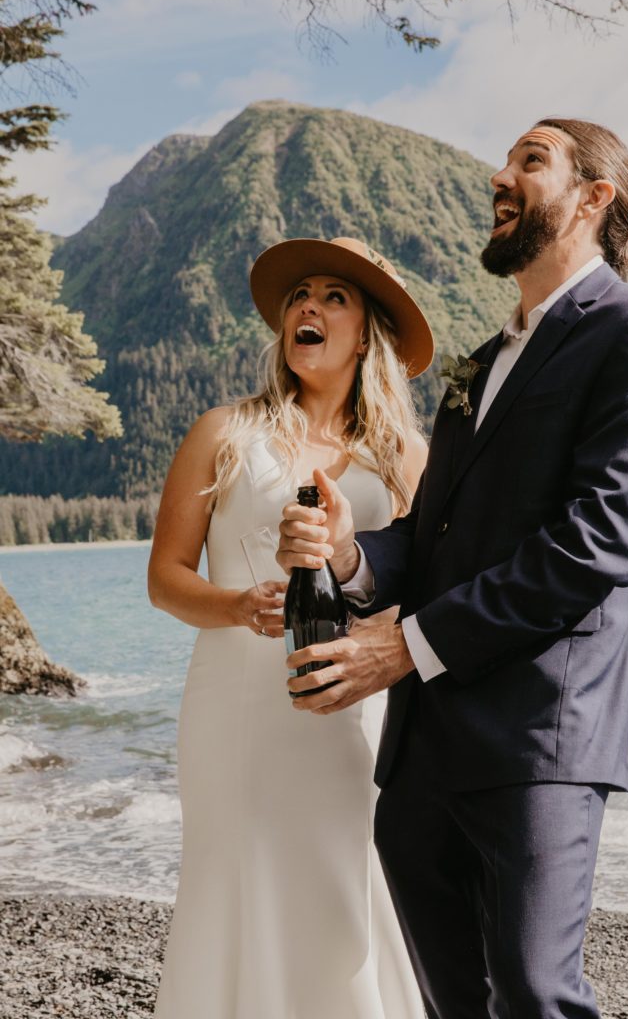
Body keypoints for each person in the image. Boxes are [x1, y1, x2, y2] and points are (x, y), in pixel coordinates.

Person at [277, 119, 628, 1019]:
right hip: (425, 751)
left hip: (543, 734)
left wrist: (403, 647)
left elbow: (602, 538)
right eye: (504, 160)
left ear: (593, 197)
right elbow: (435, 538)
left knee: (536, 995)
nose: (499, 176)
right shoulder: (478, 364)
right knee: (454, 1002)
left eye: (529, 161)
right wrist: (349, 553)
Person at [148, 235, 432, 1019]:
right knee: (230, 881)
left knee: (342, 886)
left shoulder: (406, 457)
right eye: (299, 295)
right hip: (232, 709)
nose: (307, 305)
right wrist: (238, 606)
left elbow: (430, 592)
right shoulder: (222, 433)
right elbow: (165, 579)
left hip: (351, 707)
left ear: (368, 330)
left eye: (333, 296)